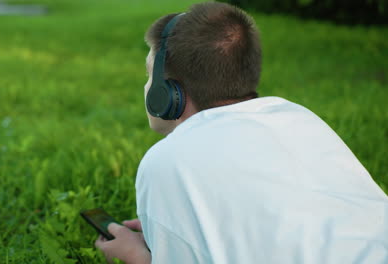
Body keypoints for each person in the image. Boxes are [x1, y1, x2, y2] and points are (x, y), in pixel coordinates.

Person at [95, 2, 388, 263]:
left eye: (149, 76)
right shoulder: (297, 116)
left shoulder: (167, 160)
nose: (146, 86)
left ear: (167, 92)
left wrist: (138, 259)